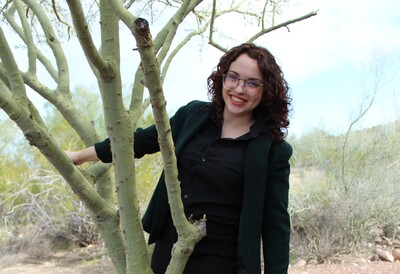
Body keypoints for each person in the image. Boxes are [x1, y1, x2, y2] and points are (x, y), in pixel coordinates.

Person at [67, 43, 293, 274]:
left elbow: (276, 227)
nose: (239, 89)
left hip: (221, 261)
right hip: (170, 250)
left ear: (267, 91)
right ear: (222, 78)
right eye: (233, 77)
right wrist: (80, 156)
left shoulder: (272, 151)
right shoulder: (193, 116)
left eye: (252, 83)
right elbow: (139, 142)